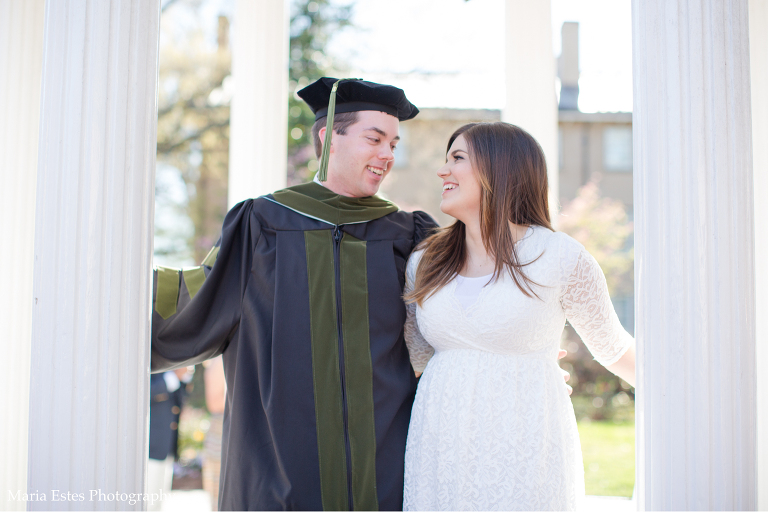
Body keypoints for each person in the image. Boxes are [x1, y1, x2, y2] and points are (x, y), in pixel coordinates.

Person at [149, 77, 439, 510]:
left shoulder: (407, 234)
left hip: (385, 465)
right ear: (328, 139)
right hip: (277, 464)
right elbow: (201, 300)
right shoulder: (262, 223)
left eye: (394, 144)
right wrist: (107, 289)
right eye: (375, 139)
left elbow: (459, 317)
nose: (387, 155)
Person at [402, 122, 636, 511]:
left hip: (525, 448)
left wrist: (682, 396)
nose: (443, 171)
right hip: (439, 453)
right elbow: (413, 360)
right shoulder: (424, 262)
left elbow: (614, 349)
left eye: (457, 159)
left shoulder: (560, 257)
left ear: (499, 169)